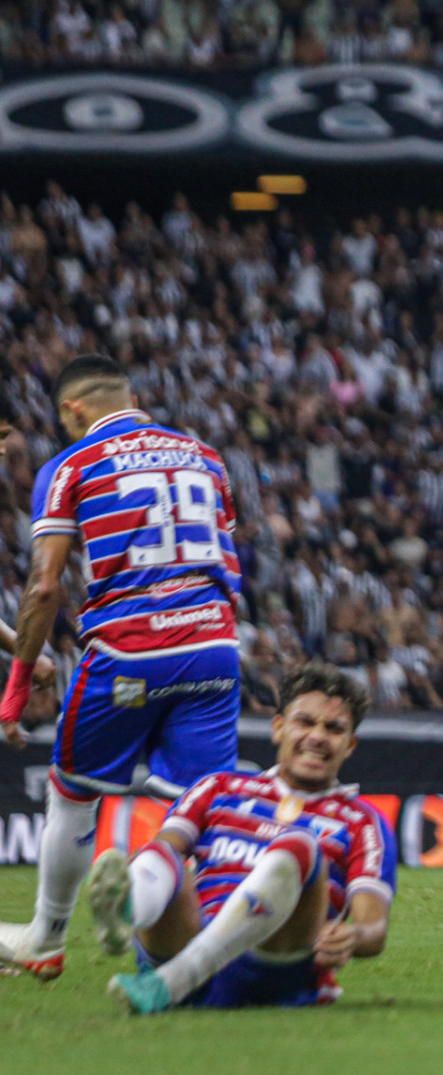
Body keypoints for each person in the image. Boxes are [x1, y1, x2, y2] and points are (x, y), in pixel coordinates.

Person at [0, 354, 243, 981]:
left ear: (72, 409)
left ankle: (47, 938)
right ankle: (190, 931)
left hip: (129, 651)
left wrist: (20, 678)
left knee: (74, 791)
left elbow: (45, 587)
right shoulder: (205, 457)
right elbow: (229, 559)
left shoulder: (71, 465)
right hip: (214, 646)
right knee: (198, 806)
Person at [90, 661, 394, 1013]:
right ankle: (126, 915)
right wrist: (139, 876)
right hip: (183, 940)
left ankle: (178, 978)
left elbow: (374, 928)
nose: (317, 736)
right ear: (278, 728)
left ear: (350, 745)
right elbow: (166, 852)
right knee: (159, 852)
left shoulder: (362, 822)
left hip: (273, 963)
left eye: (334, 728)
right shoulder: (218, 787)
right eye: (305, 722)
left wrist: (354, 937)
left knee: (300, 846)